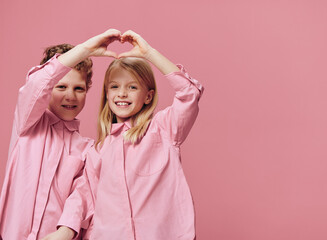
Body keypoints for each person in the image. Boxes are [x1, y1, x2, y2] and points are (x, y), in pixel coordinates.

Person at [0, 29, 122, 240]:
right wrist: (86, 49)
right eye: (61, 86)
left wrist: (65, 230)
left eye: (79, 89)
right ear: (49, 89)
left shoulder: (87, 150)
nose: (70, 96)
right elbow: (38, 83)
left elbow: (83, 198)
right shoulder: (28, 123)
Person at [85, 30, 204, 239]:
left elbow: (189, 93)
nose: (122, 93)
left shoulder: (164, 128)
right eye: (114, 87)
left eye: (132, 87)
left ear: (148, 96)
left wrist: (149, 53)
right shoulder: (98, 149)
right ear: (107, 94)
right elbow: (90, 203)